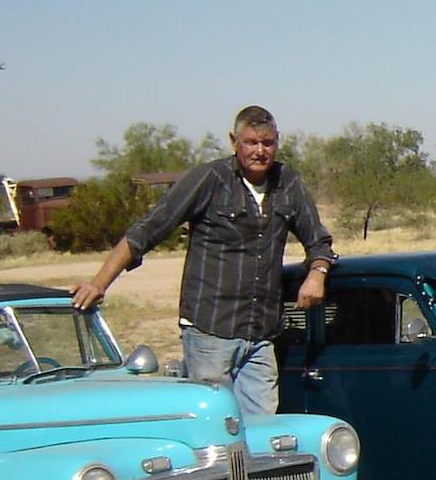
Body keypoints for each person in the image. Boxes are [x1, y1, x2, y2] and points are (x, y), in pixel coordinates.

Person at [71, 105, 335, 415]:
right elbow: (149, 229)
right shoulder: (209, 179)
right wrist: (99, 283)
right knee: (216, 426)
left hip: (261, 334)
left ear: (278, 141)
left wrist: (317, 272)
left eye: (268, 142)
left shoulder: (287, 181)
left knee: (263, 431)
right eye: (251, 142)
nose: (260, 151)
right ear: (234, 141)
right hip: (211, 330)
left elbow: (318, 239)